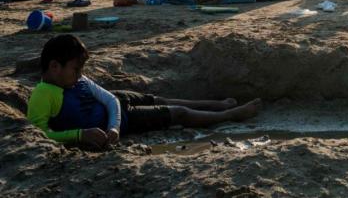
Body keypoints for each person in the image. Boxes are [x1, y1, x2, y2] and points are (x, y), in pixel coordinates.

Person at [27, 35, 260, 148]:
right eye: (76, 70)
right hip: (128, 119)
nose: (79, 75)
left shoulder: (79, 81)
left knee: (159, 98)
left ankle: (217, 105)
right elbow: (40, 134)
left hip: (118, 106)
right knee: (176, 112)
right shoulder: (43, 95)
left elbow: (109, 100)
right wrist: (79, 135)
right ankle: (229, 115)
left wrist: (113, 127)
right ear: (54, 67)